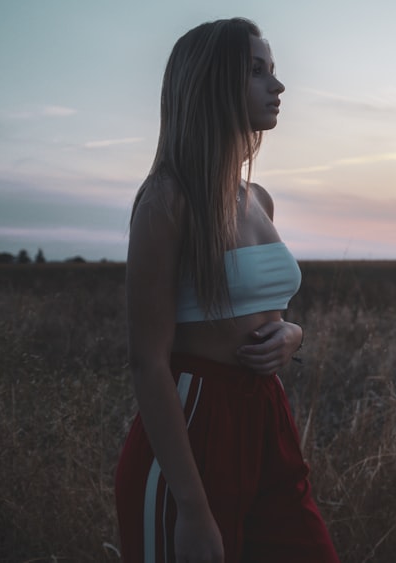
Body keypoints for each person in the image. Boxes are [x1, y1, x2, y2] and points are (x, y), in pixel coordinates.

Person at [114, 18, 339, 563]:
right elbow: (148, 363)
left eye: (274, 71)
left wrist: (292, 332)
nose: (277, 86)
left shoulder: (258, 198)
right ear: (214, 84)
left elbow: (266, 309)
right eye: (257, 72)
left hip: (266, 419)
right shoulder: (167, 201)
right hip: (193, 425)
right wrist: (191, 507)